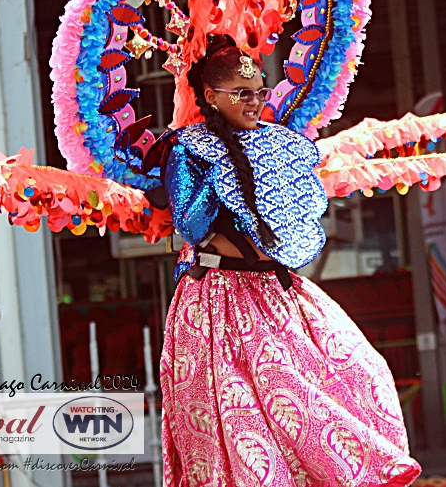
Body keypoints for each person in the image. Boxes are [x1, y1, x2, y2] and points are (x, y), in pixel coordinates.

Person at [158, 37, 420, 486]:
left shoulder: (280, 144)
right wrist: (225, 171)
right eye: (242, 93)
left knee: (361, 370)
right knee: (250, 421)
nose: (254, 101)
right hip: (217, 299)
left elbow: (297, 218)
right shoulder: (187, 148)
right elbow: (192, 223)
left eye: (260, 91)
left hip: (278, 289)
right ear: (210, 97)